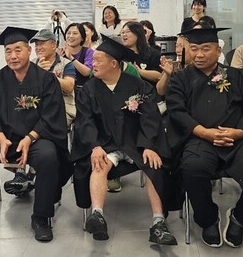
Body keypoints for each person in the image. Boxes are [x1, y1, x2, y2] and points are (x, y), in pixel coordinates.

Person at [167, 27, 243, 248]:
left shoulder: (237, 76)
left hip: (237, 140)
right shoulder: (180, 78)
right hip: (199, 139)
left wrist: (238, 132)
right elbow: (177, 112)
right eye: (194, 49)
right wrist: (204, 132)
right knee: (192, 168)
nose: (198, 54)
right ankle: (208, 219)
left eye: (205, 49)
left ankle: (240, 217)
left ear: (218, 50)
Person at [0, 27, 71, 242]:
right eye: (8, 51)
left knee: (49, 157)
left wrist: (30, 138)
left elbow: (51, 116)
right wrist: (1, 139)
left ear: (29, 51)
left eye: (18, 50)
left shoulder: (46, 79)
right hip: (3, 138)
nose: (13, 56)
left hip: (36, 138)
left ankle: (41, 217)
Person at [72, 37, 179, 245]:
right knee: (97, 165)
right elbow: (84, 121)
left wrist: (149, 145)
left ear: (113, 63)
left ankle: (158, 223)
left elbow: (150, 118)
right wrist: (94, 146)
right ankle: (98, 216)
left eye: (98, 60)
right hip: (105, 144)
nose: (93, 64)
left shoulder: (138, 86)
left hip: (136, 143)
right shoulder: (89, 89)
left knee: (154, 166)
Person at [1, 29, 77, 197]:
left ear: (54, 45)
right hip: (33, 107)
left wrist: (47, 76)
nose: (39, 47)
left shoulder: (66, 64)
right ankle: (21, 173)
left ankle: (29, 175)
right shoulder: (31, 62)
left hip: (60, 109)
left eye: (43, 43)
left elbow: (69, 87)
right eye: (36, 44)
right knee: (15, 125)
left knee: (44, 132)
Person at [120, 22, 162, 86]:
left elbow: (159, 76)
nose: (124, 35)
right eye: (122, 32)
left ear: (138, 33)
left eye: (128, 32)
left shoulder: (153, 53)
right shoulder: (120, 54)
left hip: (148, 92)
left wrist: (139, 71)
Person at [59, 23, 94, 92]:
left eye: (75, 33)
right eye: (68, 33)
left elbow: (87, 72)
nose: (71, 36)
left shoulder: (89, 52)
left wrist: (71, 58)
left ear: (82, 38)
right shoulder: (60, 51)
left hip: (84, 92)